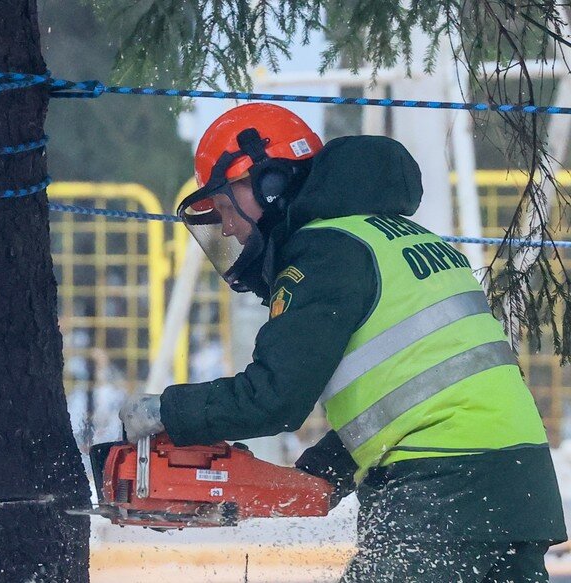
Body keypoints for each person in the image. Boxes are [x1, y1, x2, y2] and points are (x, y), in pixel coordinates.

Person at [119, 103, 567, 581]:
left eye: (227, 207)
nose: (227, 228)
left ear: (270, 185)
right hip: (519, 486)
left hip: (439, 490)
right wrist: (314, 478)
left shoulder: (324, 250)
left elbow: (273, 399)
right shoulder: (399, 239)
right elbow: (412, 393)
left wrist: (164, 412)